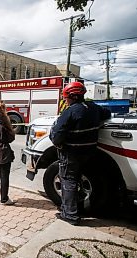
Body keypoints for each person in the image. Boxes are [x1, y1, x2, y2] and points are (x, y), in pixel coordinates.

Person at [49, 81, 111, 225]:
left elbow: (57, 135)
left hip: (71, 153)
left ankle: (70, 215)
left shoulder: (71, 111)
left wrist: (56, 140)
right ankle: (75, 208)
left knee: (68, 181)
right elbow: (107, 113)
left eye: (66, 97)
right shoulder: (93, 108)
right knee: (77, 179)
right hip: (89, 152)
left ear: (73, 96)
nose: (65, 100)